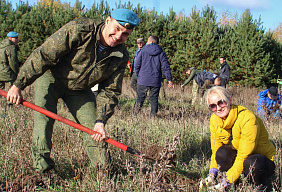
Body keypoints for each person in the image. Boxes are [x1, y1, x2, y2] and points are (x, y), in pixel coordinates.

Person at [6, 9, 139, 173]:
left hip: (80, 89)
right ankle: (43, 171)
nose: (119, 36)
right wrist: (18, 85)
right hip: (51, 77)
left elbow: (110, 91)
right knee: (44, 121)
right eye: (117, 28)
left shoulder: (120, 55)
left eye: (125, 34)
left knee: (94, 128)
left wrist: (101, 121)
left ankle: (103, 171)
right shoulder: (80, 29)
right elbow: (44, 55)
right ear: (107, 21)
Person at [202, 86, 276, 191]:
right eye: (213, 106)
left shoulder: (248, 119)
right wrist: (212, 174)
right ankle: (235, 184)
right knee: (221, 153)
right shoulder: (215, 120)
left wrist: (226, 181)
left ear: (229, 99)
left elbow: (244, 155)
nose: (218, 108)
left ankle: (260, 187)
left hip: (260, 160)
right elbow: (215, 149)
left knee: (252, 163)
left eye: (221, 102)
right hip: (241, 159)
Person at [133, 35, 174, 118]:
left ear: (151, 41)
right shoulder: (161, 52)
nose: (146, 43)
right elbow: (165, 67)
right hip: (155, 80)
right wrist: (169, 79)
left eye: (147, 41)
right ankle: (153, 117)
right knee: (154, 99)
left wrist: (138, 74)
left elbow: (136, 64)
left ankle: (134, 115)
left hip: (143, 79)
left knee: (140, 99)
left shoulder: (143, 51)